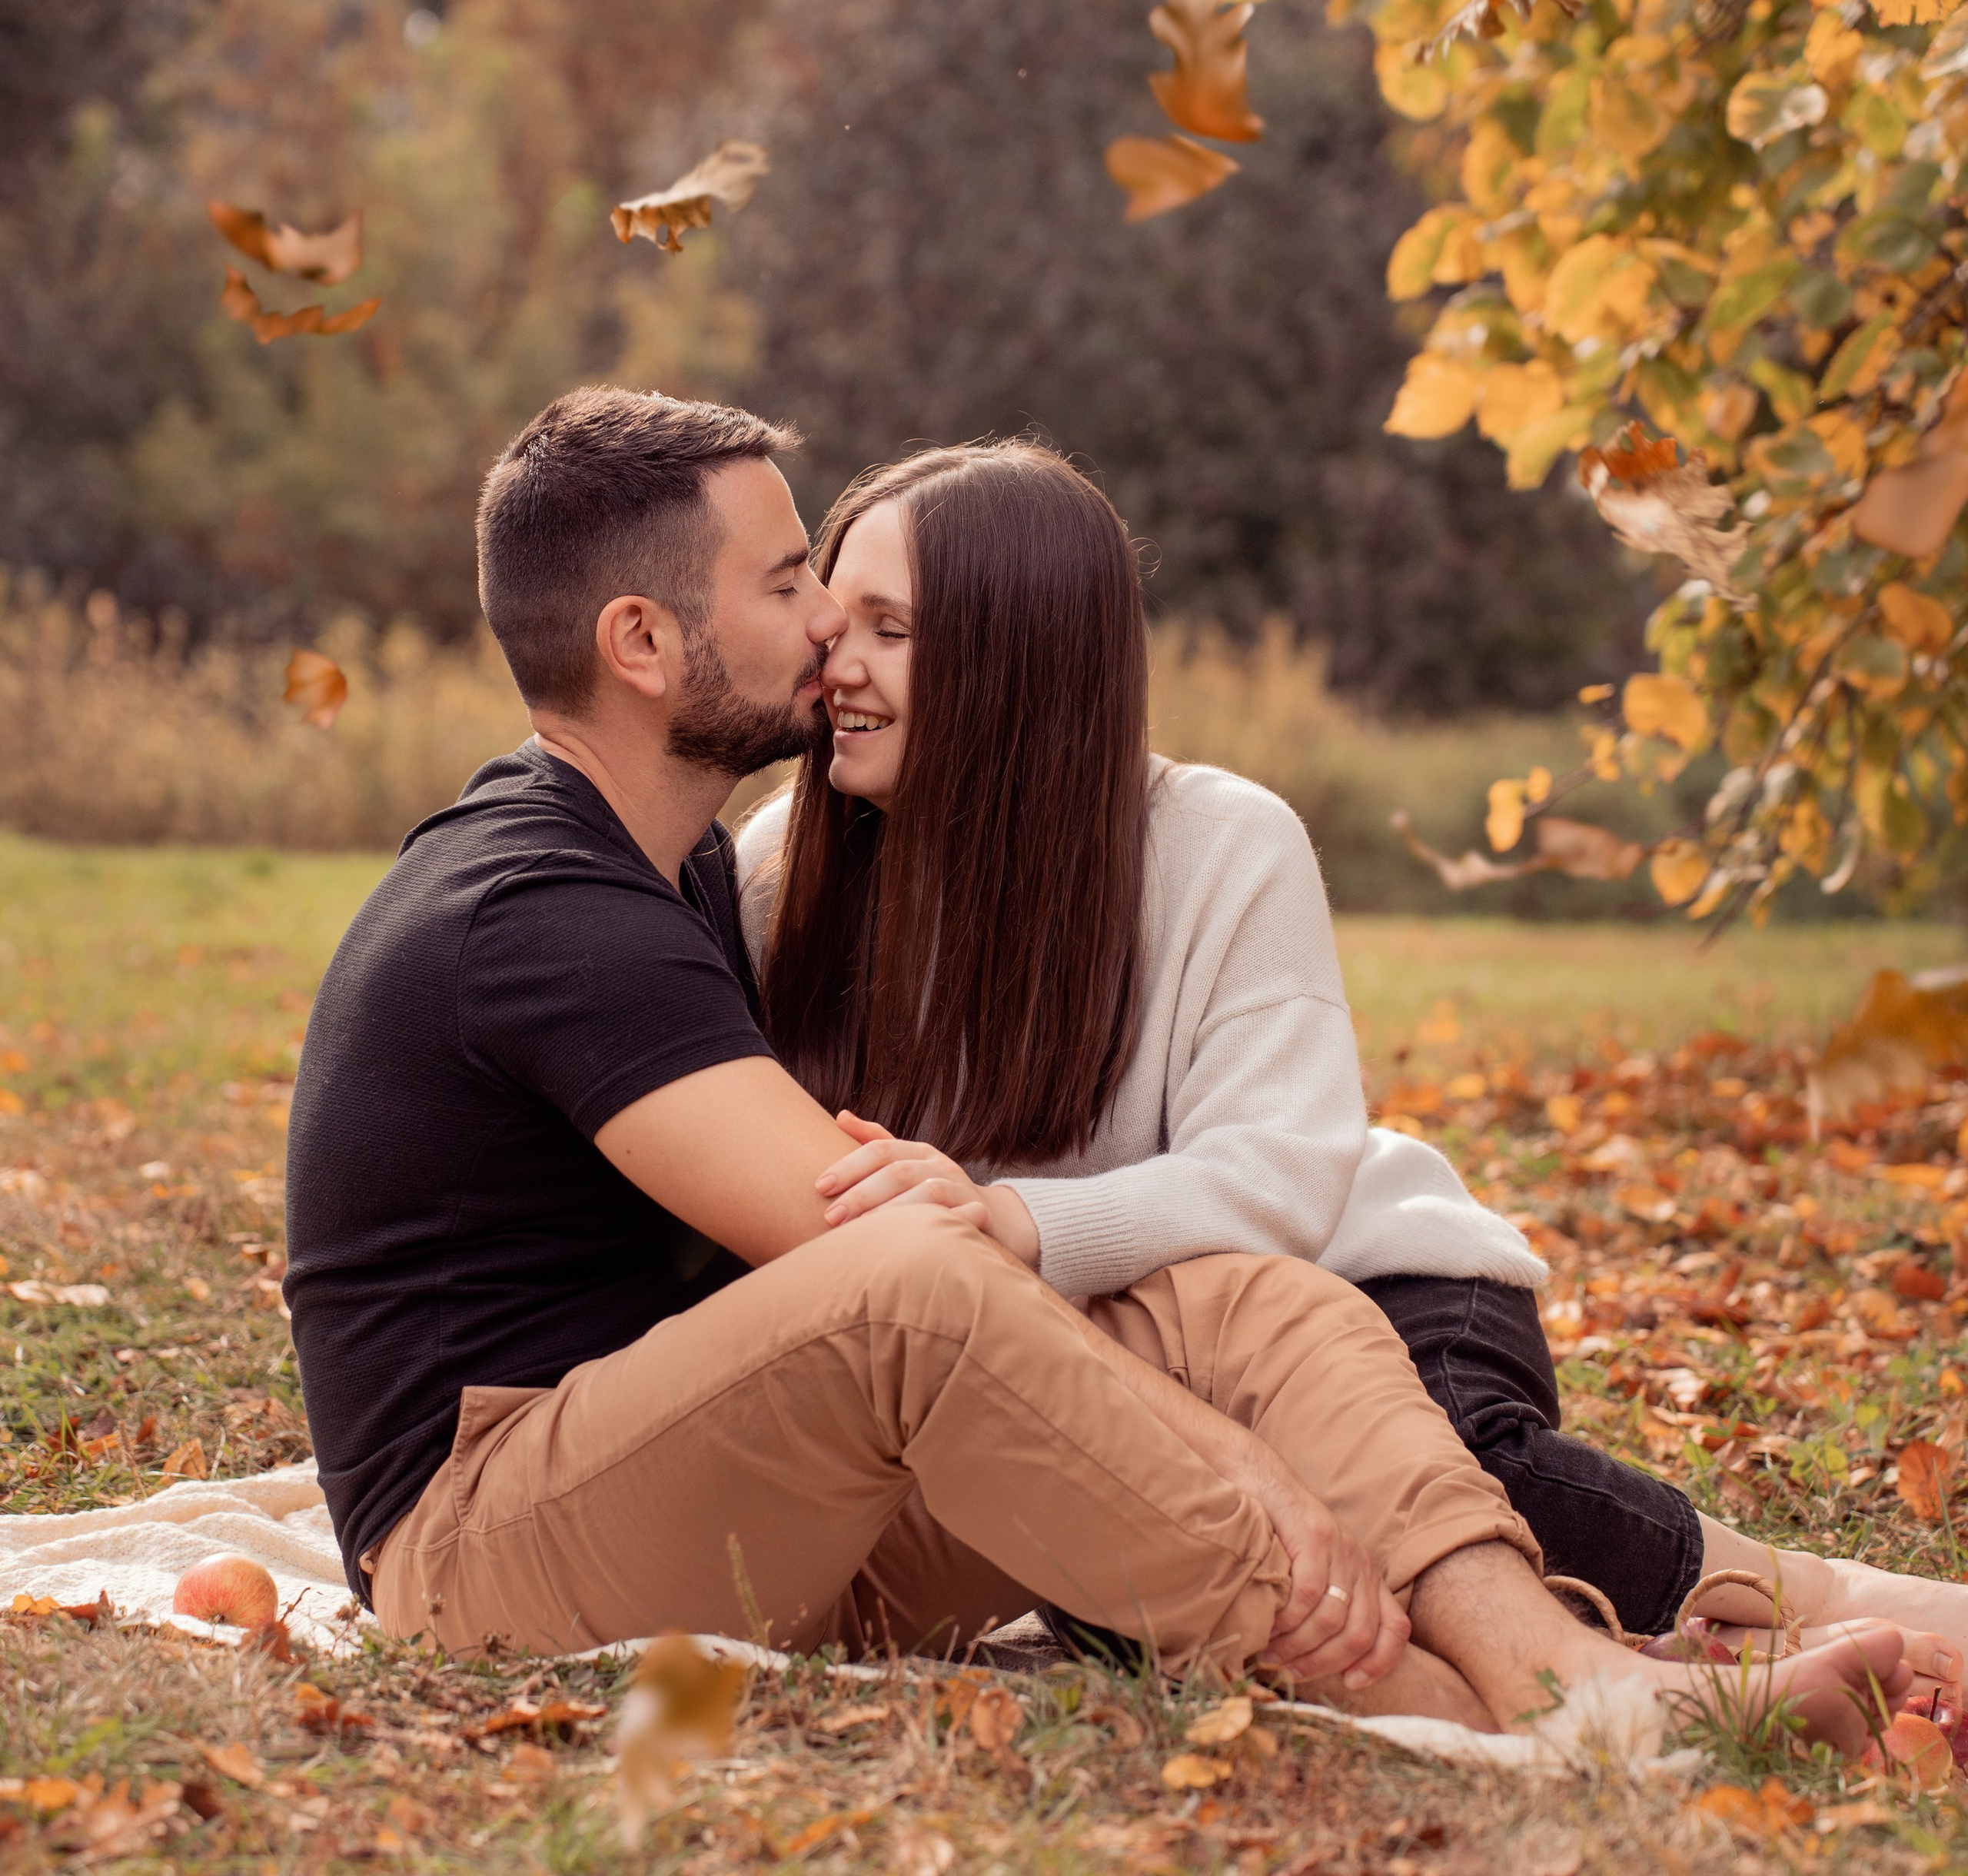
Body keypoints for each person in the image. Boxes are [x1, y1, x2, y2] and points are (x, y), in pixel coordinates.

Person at [278, 387, 1906, 1758]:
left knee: (1243, 1306)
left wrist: (1150, 1340)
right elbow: (882, 1268)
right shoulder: (547, 906)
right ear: (640, 640)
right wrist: (1244, 1478)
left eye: (860, 607)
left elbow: (1103, 1227)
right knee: (917, 1292)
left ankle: (1580, 1679)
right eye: (791, 587)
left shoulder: (689, 875)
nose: (829, 629)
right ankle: (1497, 1729)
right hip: (487, 1545)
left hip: (727, 1496)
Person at [737, 436, 1968, 1674]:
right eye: (839, 625)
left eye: (889, 632)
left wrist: (1013, 1222)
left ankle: (1807, 1596)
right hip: (1106, 1357)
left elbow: (1274, 1176)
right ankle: (1655, 1672)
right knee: (1246, 1600)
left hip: (1360, 1284)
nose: (834, 664)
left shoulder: (1218, 844)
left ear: (1021, 657)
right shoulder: (782, 872)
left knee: (1451, 1485)